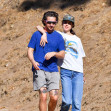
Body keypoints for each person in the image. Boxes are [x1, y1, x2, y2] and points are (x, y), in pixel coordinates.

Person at [37, 14, 86, 111]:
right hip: (66, 71)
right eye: (65, 22)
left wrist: (83, 73)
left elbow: (80, 57)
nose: (67, 25)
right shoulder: (58, 35)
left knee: (76, 103)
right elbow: (38, 27)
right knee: (67, 101)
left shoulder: (77, 39)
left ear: (72, 26)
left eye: (69, 23)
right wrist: (44, 33)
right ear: (62, 23)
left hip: (78, 72)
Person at [28, 11, 65, 111]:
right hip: (39, 68)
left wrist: (54, 53)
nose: (51, 25)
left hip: (53, 70)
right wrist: (33, 61)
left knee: (54, 97)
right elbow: (30, 50)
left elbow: (62, 54)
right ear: (44, 21)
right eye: (49, 22)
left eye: (54, 23)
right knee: (43, 96)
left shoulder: (58, 36)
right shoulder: (36, 34)